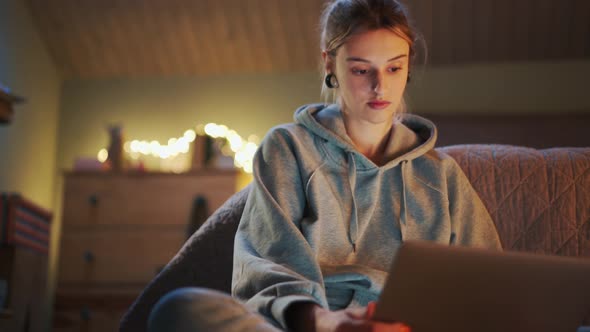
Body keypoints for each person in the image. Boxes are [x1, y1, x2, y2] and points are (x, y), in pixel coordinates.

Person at [148, 0, 502, 331]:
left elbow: (486, 282)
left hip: (402, 326)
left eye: (394, 67)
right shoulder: (287, 149)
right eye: (362, 70)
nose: (380, 86)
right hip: (311, 324)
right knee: (179, 308)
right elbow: (267, 263)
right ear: (330, 63)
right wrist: (327, 321)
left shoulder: (441, 174)